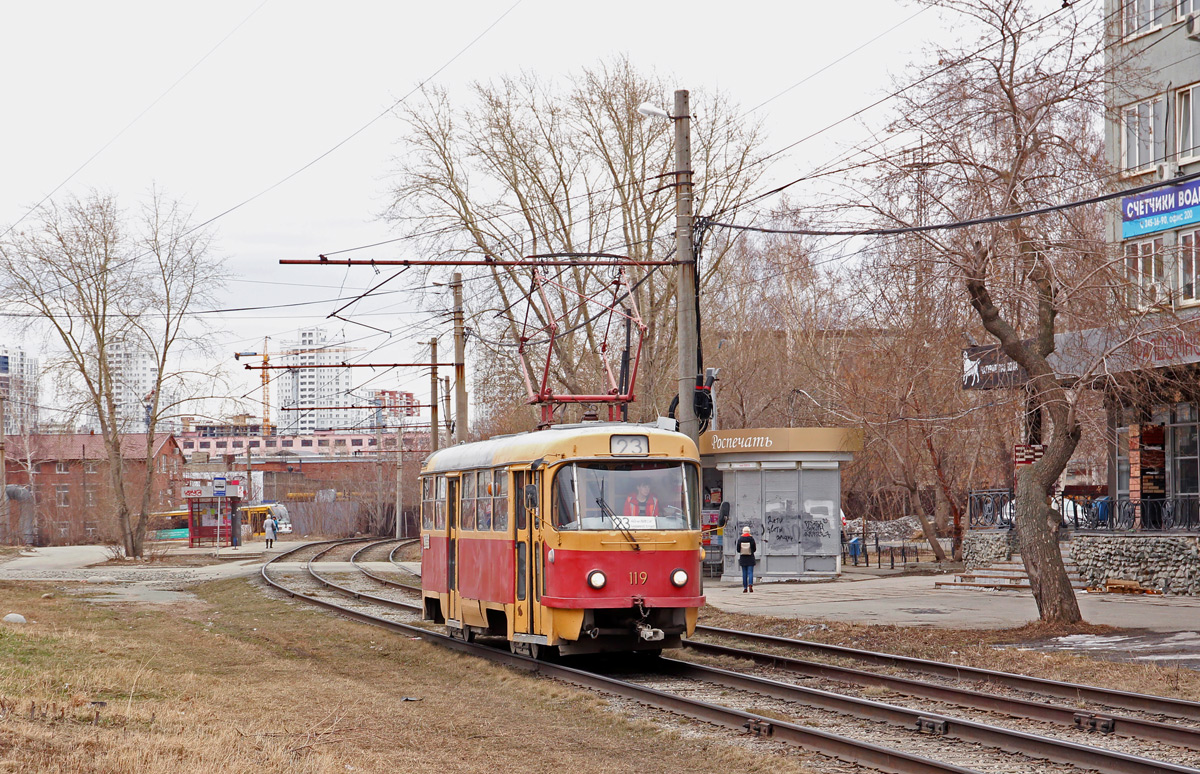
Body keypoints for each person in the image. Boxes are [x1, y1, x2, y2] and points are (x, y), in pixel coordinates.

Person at [734, 526, 756, 593]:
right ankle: (750, 584)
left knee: (744, 573)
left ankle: (745, 587)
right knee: (750, 572)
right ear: (749, 532)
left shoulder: (740, 539)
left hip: (743, 558)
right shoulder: (751, 539)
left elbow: (738, 550)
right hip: (750, 557)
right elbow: (754, 549)